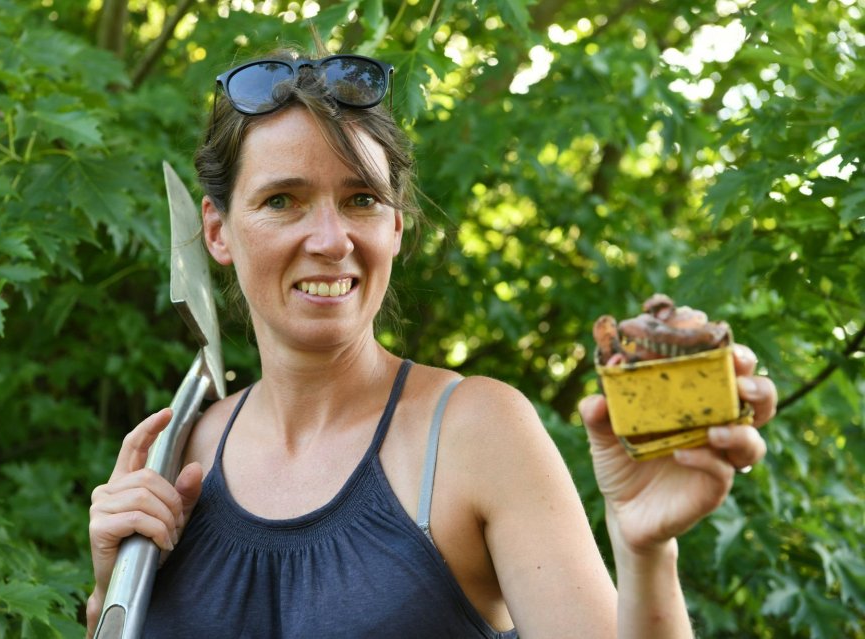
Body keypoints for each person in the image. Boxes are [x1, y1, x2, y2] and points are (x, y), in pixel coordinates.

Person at [86, 44, 776, 638]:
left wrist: (645, 548)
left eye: (361, 199)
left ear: (395, 226)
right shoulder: (177, 460)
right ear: (216, 230)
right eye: (281, 200)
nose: (330, 240)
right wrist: (108, 591)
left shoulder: (476, 433)